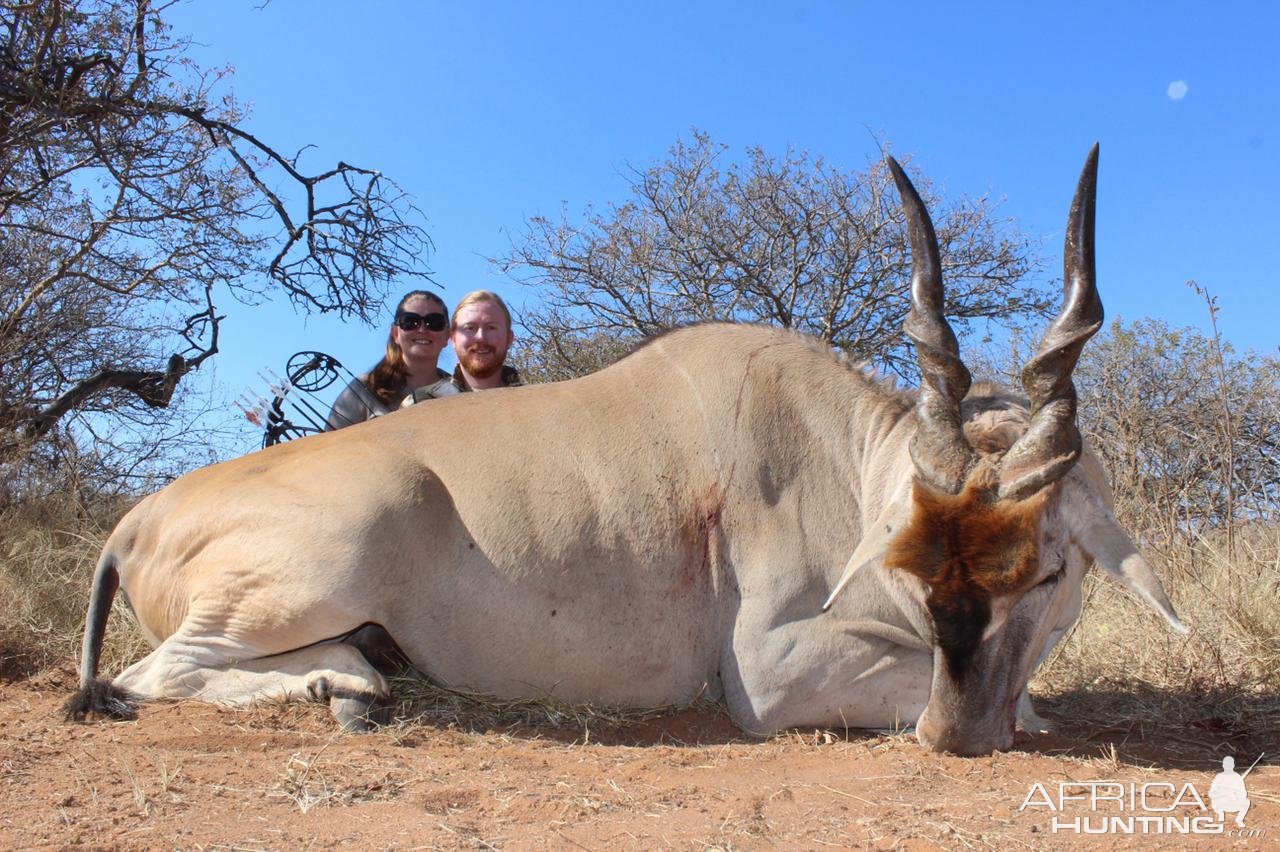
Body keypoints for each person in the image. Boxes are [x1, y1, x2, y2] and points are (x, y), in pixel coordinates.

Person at [325, 290, 458, 430]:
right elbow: (326, 447)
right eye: (410, 321)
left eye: (434, 322)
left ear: (447, 337)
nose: (422, 329)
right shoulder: (365, 387)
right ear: (395, 334)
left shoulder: (459, 394)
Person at [448, 290, 523, 392]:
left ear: (509, 338)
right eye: (470, 328)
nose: (480, 337)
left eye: (491, 328)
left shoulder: (539, 404)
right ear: (453, 339)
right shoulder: (428, 404)